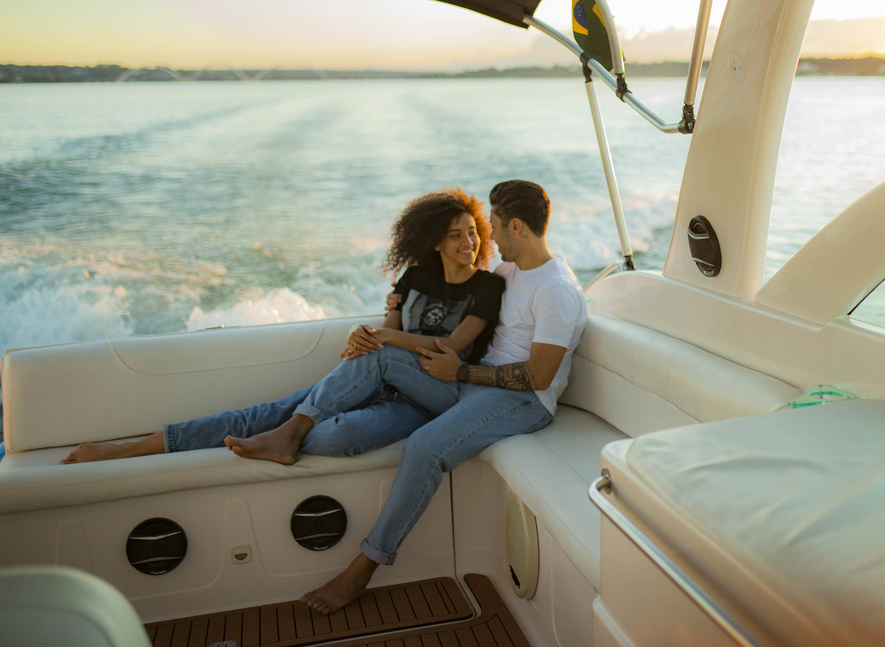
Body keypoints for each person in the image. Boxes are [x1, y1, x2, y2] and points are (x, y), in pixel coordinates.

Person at [298, 179, 587, 614]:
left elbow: (539, 376)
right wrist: (396, 302)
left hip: (522, 400)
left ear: (516, 227)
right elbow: (457, 290)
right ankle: (292, 424)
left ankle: (363, 568)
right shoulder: (509, 272)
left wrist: (462, 371)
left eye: (493, 225)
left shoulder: (556, 289)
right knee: (381, 353)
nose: (488, 236)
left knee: (424, 446)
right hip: (473, 383)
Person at [59, 187, 505, 464]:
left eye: (472, 232)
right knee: (261, 415)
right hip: (375, 381)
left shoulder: (486, 286)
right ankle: (125, 450)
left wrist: (385, 337)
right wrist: (367, 334)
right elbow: (387, 326)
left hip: (428, 397)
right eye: (456, 235)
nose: (468, 242)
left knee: (337, 428)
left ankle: (287, 434)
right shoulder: (415, 277)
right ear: (435, 241)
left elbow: (451, 346)